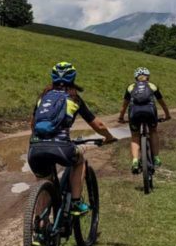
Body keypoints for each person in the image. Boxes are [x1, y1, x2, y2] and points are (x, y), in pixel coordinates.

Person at [27, 61, 117, 222]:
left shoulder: (43, 97)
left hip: (35, 148)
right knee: (79, 160)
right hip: (61, 147)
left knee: (44, 181)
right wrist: (109, 137)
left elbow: (33, 124)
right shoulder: (74, 98)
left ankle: (40, 229)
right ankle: (76, 203)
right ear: (73, 78)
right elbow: (98, 125)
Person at [117, 66, 171, 174]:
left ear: (135, 77)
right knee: (153, 131)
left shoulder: (131, 87)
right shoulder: (152, 86)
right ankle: (156, 157)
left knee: (135, 136)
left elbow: (124, 106)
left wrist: (121, 117)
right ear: (148, 77)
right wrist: (167, 115)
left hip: (134, 113)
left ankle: (135, 160)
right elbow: (162, 103)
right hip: (150, 112)